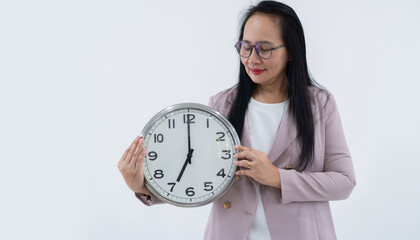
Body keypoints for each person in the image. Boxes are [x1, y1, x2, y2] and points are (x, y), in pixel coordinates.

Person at [118, 1, 356, 239]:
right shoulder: (222, 104)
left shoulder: (319, 104)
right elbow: (202, 176)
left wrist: (276, 177)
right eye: (246, 47)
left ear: (292, 51)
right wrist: (142, 186)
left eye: (265, 48)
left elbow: (344, 181)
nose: (252, 59)